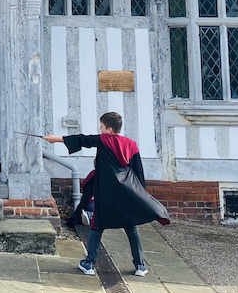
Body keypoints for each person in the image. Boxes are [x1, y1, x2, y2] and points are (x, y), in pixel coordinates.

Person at [45, 111, 169, 277]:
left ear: (109, 129)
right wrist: (140, 195)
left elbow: (83, 139)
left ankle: (89, 264)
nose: (100, 129)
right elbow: (138, 171)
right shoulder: (132, 145)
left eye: (102, 126)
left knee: (97, 226)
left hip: (106, 192)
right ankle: (140, 266)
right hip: (127, 192)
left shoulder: (104, 140)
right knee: (131, 227)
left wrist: (57, 139)